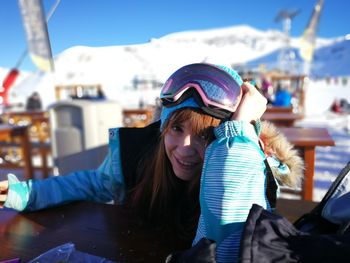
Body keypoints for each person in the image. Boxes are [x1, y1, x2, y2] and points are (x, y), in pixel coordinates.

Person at [0, 63, 303, 262]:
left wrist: (235, 138)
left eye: (205, 136)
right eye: (176, 128)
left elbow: (227, 247)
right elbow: (94, 183)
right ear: (163, 128)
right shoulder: (140, 153)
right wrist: (28, 193)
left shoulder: (246, 167)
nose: (184, 148)